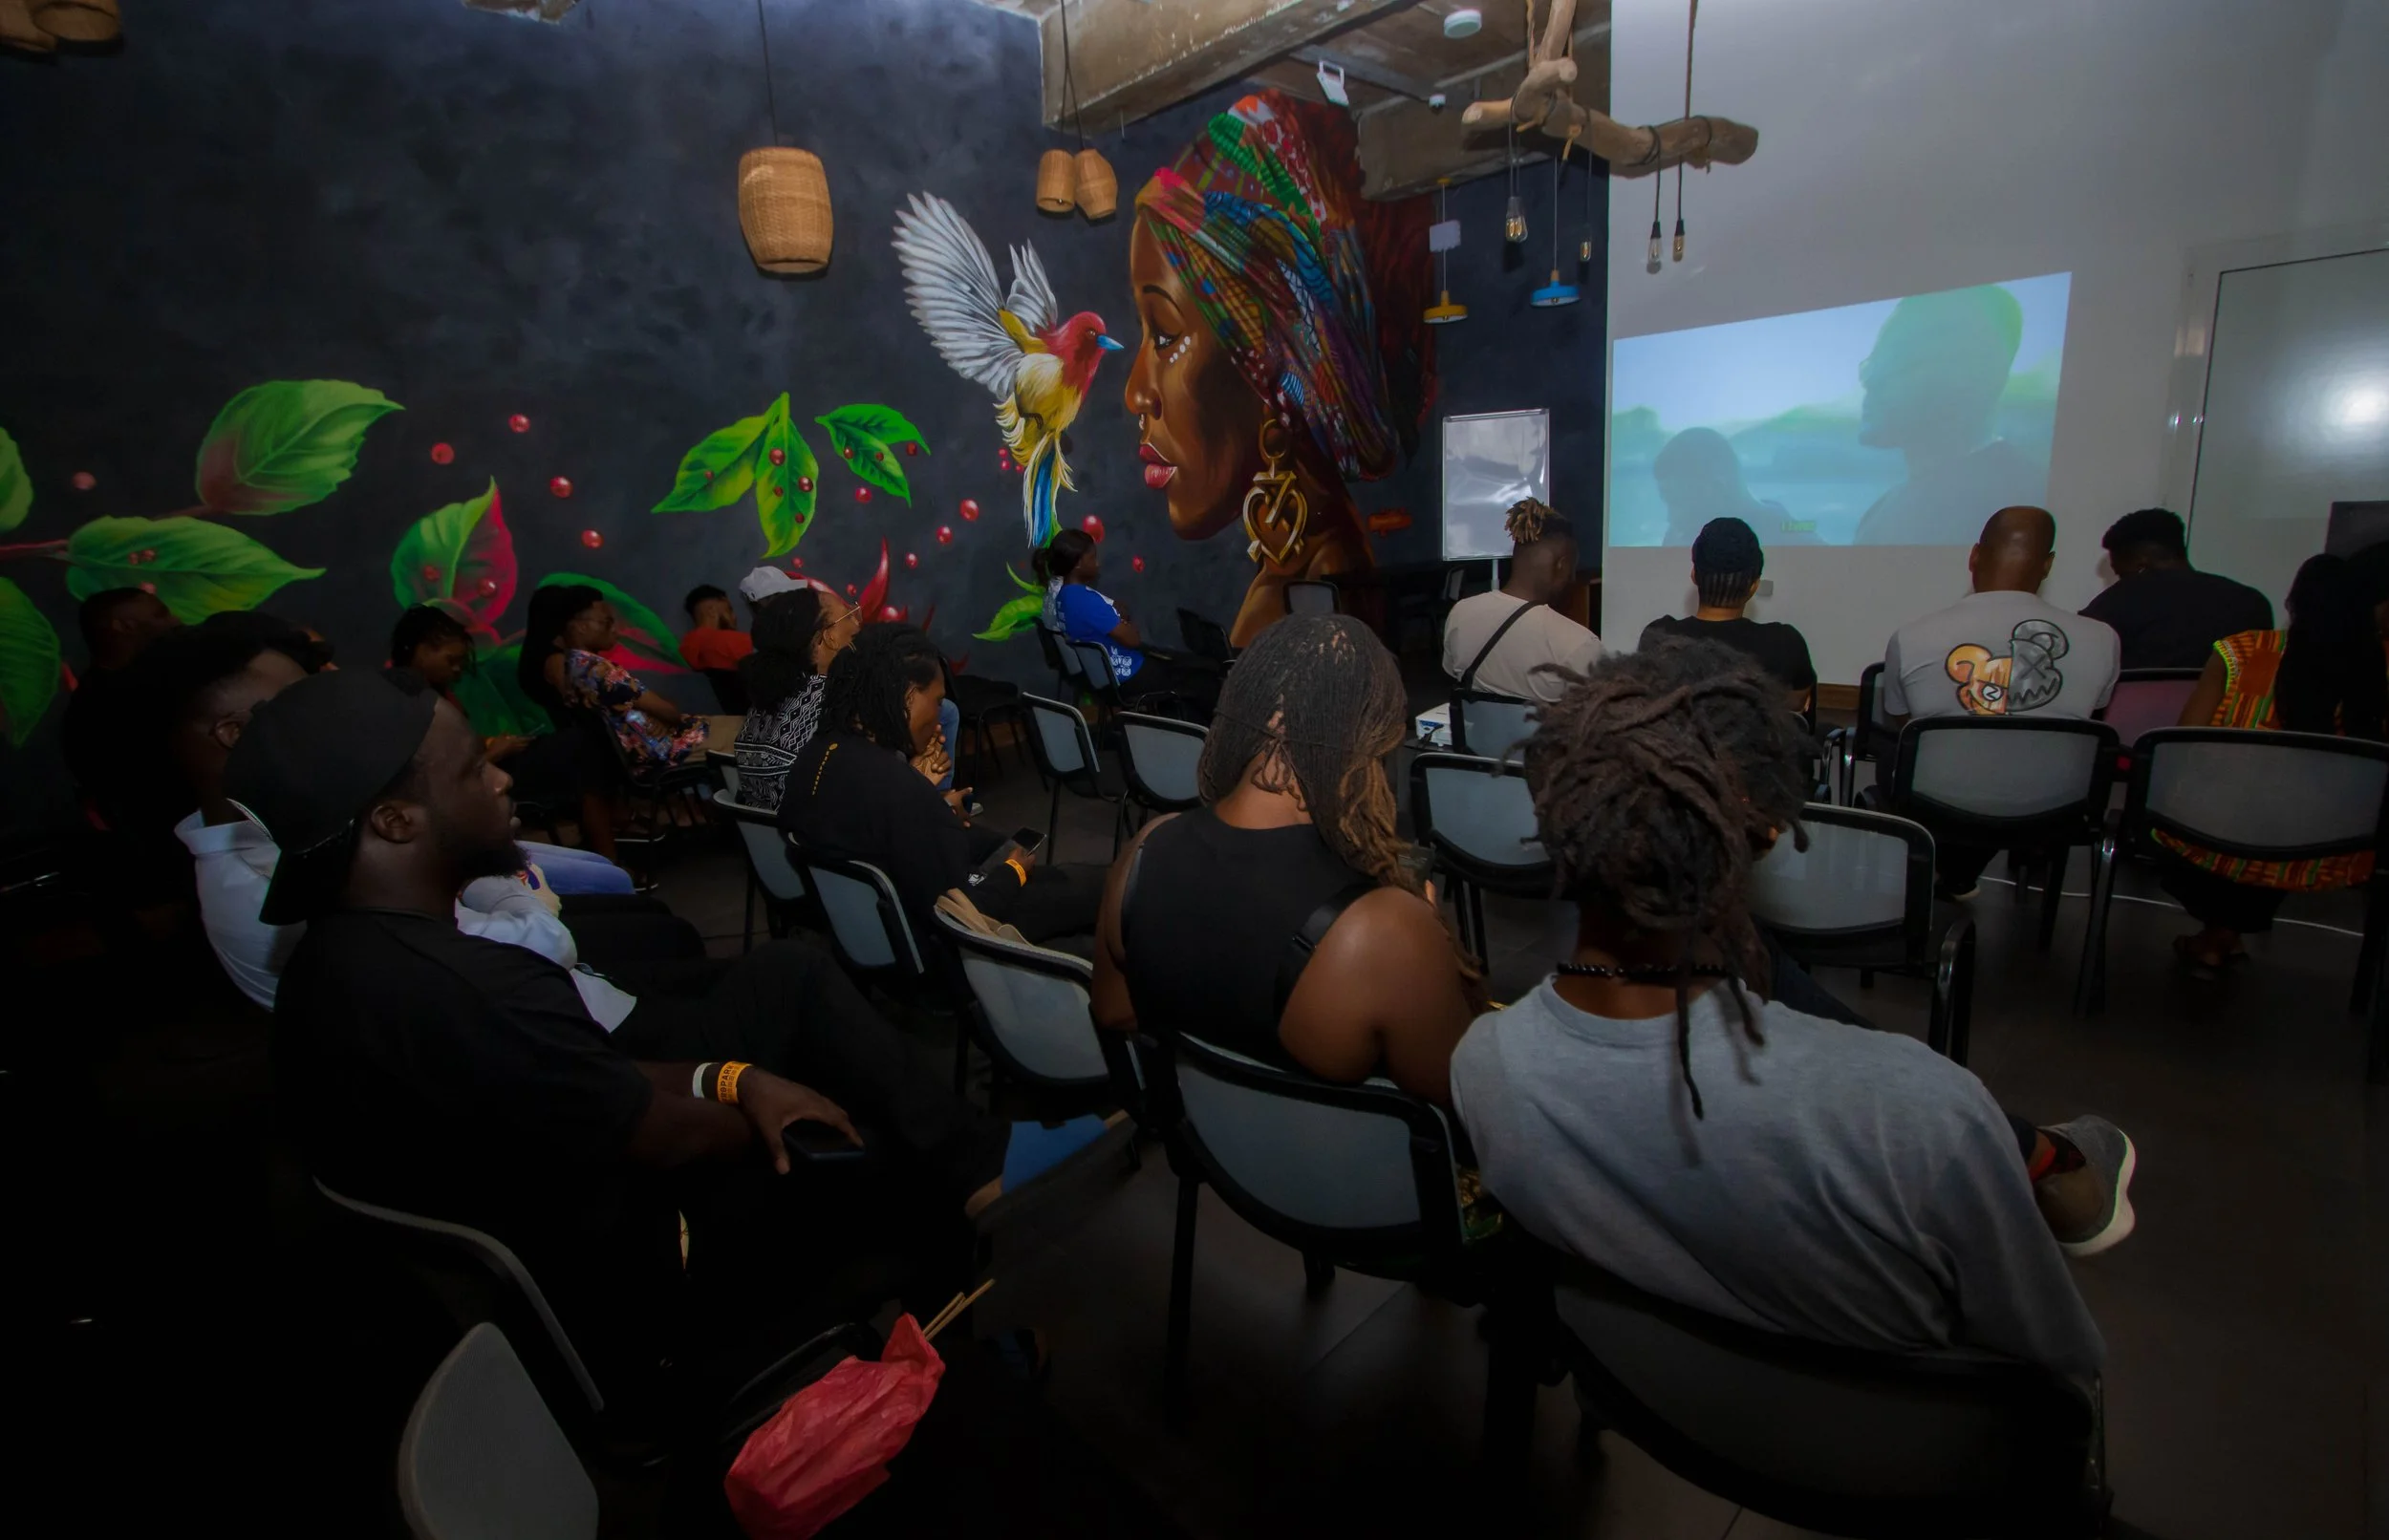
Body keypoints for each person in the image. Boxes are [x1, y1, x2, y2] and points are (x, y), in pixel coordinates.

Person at [238, 669, 1096, 1406]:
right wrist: (769, 1097)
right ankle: (937, 1387)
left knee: (810, 1041)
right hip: (644, 1289)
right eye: (472, 770)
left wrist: (735, 1078)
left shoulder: (336, 963)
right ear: (394, 821)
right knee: (883, 1148)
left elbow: (600, 1084)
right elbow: (664, 1133)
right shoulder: (470, 989)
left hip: (566, 1259)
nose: (502, 781)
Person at [1449, 641, 2136, 1376]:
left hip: (1649, 1397)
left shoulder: (1483, 1063)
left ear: (1554, 817)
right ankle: (2053, 1157)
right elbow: (2052, 1367)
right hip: (1886, 1435)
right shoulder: (1926, 1110)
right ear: (1769, 828)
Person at [1091, 615, 1481, 1102]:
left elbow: (1113, 1011)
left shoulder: (1144, 851)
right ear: (1366, 741)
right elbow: (1461, 1097)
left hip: (1208, 1140)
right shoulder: (1383, 929)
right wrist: (1433, 933)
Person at [1126, 90, 1432, 647]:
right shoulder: (1296, 570)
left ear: (1271, 365)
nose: (1136, 393)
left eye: (1165, 334)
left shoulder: (1324, 584)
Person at [779, 624, 1102, 946]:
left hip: (870, 934)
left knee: (1028, 862)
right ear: (906, 695)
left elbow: (875, 827)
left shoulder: (814, 756)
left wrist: (935, 804)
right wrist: (1013, 871)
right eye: (937, 702)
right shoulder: (901, 789)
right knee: (1099, 889)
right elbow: (961, 917)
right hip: (942, 944)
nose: (938, 718)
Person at [2156, 552, 2389, 975]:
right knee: (2279, 812)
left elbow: (2182, 745)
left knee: (2204, 806)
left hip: (2212, 839)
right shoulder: (2380, 667)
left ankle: (2216, 936)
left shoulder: (2241, 651)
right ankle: (2222, 935)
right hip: (2334, 849)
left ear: (2293, 602)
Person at [1881, 505, 2120, 897]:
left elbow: (1903, 724)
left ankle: (1943, 876)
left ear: (1974, 556)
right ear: (2048, 565)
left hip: (1940, 801)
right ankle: (1957, 875)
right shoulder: (2102, 639)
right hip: (2057, 805)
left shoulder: (1911, 637)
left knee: (1914, 762)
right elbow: (2089, 718)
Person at [1851, 286, 2049, 545]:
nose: (1872, 381)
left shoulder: (2025, 501)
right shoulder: (1882, 511)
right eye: (1874, 363)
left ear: (1982, 374)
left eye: (1897, 361)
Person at [518, 582, 723, 774]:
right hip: (658, 751)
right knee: (738, 734)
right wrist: (661, 717)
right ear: (577, 625)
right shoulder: (594, 669)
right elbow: (669, 713)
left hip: (636, 749)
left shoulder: (574, 665)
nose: (615, 630)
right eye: (606, 622)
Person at [1639, 516, 1819, 708]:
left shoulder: (1658, 638)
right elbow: (1795, 705)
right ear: (1754, 586)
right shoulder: (1786, 643)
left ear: (1694, 575)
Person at [1037, 528, 1220, 715]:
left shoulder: (1062, 596)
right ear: (1077, 564)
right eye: (1092, 558)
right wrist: (1125, 625)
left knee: (1181, 665)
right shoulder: (1084, 600)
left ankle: (1172, 723)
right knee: (1202, 678)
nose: (1098, 563)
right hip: (1127, 677)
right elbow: (1133, 640)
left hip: (1105, 676)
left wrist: (1120, 623)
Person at [1441, 499, 1604, 706]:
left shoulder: (1460, 614)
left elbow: (1453, 674)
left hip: (1474, 729)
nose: (1572, 578)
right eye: (1572, 569)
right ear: (1562, 565)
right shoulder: (1579, 644)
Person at [2080, 507, 2273, 670]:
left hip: (2141, 704)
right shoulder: (2253, 603)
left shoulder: (2113, 605)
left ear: (2141, 565)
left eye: (2121, 574)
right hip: (2226, 705)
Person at [60, 587, 183, 825]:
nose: (176, 621)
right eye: (161, 614)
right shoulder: (101, 709)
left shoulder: (140, 686)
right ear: (123, 626)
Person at [734, 588, 863, 812]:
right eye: (848, 616)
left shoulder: (764, 702)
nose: (858, 624)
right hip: (820, 826)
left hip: (770, 831)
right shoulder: (837, 705)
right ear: (829, 637)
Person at [1651, 428, 1814, 548]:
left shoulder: (1795, 542)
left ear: (1718, 487)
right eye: (1668, 503)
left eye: (1678, 503)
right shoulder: (1677, 536)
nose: (1671, 519)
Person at [678, 583, 756, 673]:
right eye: (729, 609)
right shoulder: (730, 642)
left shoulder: (686, 647)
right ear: (711, 610)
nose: (734, 617)